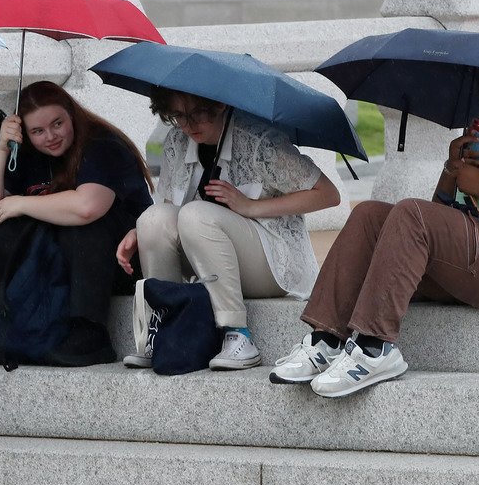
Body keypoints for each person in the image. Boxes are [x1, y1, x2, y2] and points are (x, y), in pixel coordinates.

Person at [273, 71, 479, 397]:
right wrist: (452, 171)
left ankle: (374, 346)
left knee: (411, 211)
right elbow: (439, 219)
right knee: (370, 215)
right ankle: (326, 339)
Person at [116, 92, 340, 369]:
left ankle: (237, 334)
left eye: (196, 113)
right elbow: (166, 207)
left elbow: (328, 194)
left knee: (196, 214)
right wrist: (140, 231)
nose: (187, 125)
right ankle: (164, 330)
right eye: (178, 116)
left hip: (271, 263)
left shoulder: (260, 141)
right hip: (209, 258)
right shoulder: (177, 140)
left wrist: (250, 207)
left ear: (220, 103)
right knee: (152, 218)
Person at [0, 81, 153, 366]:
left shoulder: (102, 145)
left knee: (79, 223)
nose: (50, 137)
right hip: (62, 265)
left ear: (72, 115)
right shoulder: (28, 154)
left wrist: (22, 202)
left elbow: (87, 207)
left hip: (124, 261)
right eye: (37, 131)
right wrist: (2, 148)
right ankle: (9, 328)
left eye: (58, 124)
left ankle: (90, 333)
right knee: (1, 223)